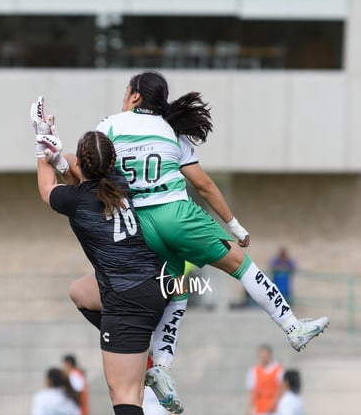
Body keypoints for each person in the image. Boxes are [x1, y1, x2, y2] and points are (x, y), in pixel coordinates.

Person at [64, 72, 328, 397]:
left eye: (126, 90)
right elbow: (203, 185)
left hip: (140, 226)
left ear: (134, 96)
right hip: (176, 213)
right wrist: (235, 226)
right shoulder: (171, 130)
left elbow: (86, 167)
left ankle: (161, 366)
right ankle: (292, 326)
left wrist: (53, 157)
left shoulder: (110, 125)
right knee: (241, 265)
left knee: (177, 288)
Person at [31, 100, 170, 415]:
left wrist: (41, 146)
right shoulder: (121, 183)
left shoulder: (76, 198)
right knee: (79, 290)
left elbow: (46, 184)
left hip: (128, 302)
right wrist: (58, 153)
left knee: (125, 399)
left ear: (84, 164)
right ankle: (139, 357)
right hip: (153, 288)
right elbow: (77, 166)